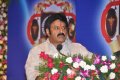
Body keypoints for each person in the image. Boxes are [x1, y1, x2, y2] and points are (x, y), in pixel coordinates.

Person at [25, 13, 93, 80]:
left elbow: (94, 65)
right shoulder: (36, 52)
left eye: (64, 28)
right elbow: (31, 76)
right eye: (57, 28)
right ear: (48, 32)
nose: (61, 31)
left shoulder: (78, 48)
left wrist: (79, 72)